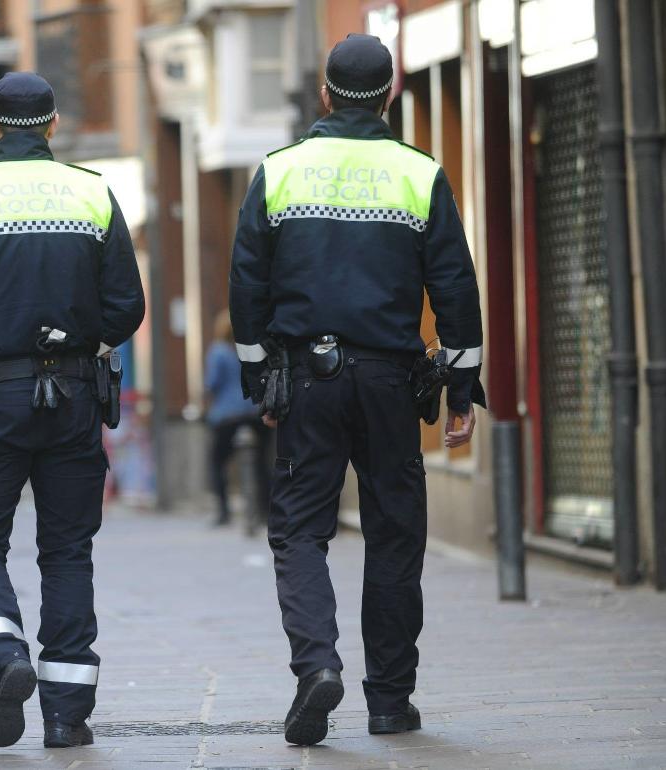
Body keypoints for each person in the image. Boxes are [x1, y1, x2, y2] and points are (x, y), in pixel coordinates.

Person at [229, 34, 486, 746]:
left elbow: (246, 282)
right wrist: (461, 388)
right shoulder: (418, 174)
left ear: (325, 94)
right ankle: (388, 702)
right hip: (390, 382)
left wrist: (259, 372)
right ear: (392, 94)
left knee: (299, 531)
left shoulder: (280, 173)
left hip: (307, 382)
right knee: (395, 534)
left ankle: (317, 666)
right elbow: (455, 287)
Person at [0, 72, 145, 750]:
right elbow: (127, 306)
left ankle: (3, 650)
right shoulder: (93, 194)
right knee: (67, 548)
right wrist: (81, 346)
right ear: (52, 123)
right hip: (73, 395)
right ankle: (67, 713)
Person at [205, 310, 270, 529]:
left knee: (217, 463)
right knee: (263, 463)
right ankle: (264, 511)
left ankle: (224, 511)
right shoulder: (253, 349)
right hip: (255, 413)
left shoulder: (218, 352)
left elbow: (212, 383)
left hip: (227, 416)